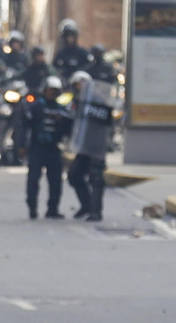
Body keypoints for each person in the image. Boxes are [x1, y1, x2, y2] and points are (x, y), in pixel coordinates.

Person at [17, 76, 71, 220]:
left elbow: (68, 130)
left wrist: (63, 123)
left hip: (53, 148)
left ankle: (52, 209)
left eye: (55, 91)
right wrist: (21, 145)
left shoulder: (62, 110)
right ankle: (32, 208)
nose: (52, 94)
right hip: (37, 148)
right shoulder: (36, 107)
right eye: (50, 90)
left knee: (55, 181)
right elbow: (24, 127)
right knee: (33, 179)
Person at [65, 70, 113, 221]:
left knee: (96, 178)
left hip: (96, 146)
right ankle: (86, 205)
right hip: (84, 147)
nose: (78, 87)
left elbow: (106, 123)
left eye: (80, 84)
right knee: (74, 175)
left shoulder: (97, 101)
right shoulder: (75, 102)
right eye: (76, 85)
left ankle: (95, 211)